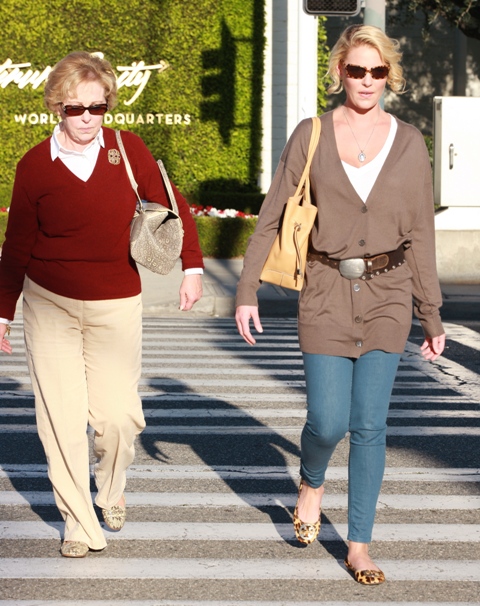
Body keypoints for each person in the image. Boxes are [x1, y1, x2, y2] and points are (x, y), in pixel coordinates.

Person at [235, 25, 445, 585]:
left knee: (370, 425)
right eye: (357, 70)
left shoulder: (410, 142)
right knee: (328, 422)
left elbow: (420, 234)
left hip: (388, 293)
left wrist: (430, 313)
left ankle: (359, 546)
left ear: (390, 76)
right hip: (326, 289)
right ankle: (311, 481)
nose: (367, 80)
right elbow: (273, 214)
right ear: (339, 73)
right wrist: (247, 288)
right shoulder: (312, 134)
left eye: (378, 71)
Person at [0, 51, 204, 558]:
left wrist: (193, 267)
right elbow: (17, 244)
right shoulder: (35, 165)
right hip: (50, 305)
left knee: (118, 418)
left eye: (98, 107)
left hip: (116, 302)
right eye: (76, 108)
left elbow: (172, 204)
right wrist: (3, 311)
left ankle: (111, 488)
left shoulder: (127, 149)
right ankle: (78, 523)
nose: (88, 117)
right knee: (61, 422)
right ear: (57, 107)